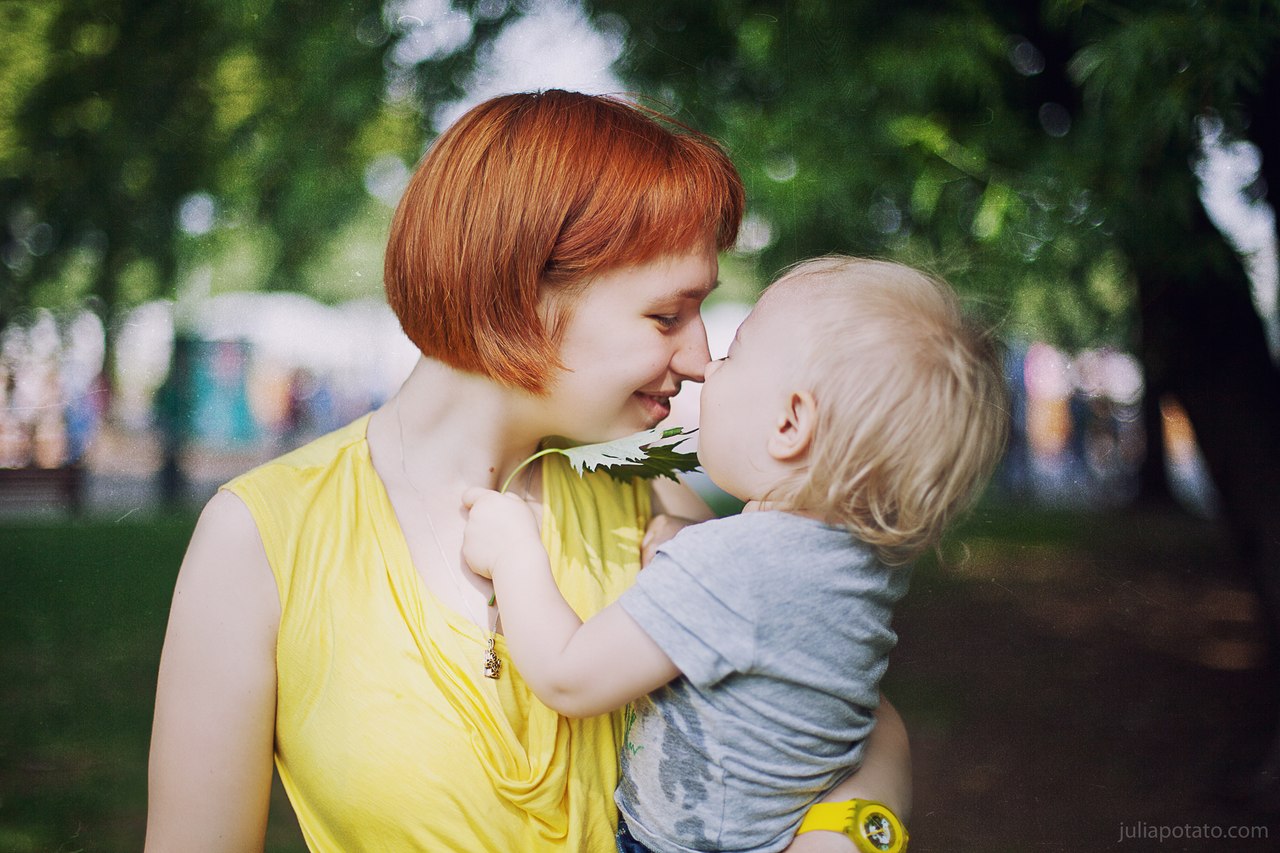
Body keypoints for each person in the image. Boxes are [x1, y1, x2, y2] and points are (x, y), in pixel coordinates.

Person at [144, 92, 910, 853]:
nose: (702, 358)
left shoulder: (656, 508)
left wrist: (857, 834)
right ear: (522, 289)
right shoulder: (260, 541)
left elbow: (850, 716)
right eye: (667, 315)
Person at [462, 256, 1009, 853]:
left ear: (790, 423)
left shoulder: (732, 569)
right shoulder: (855, 567)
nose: (706, 368)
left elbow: (570, 677)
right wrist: (686, 547)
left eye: (733, 354)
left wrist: (515, 550)